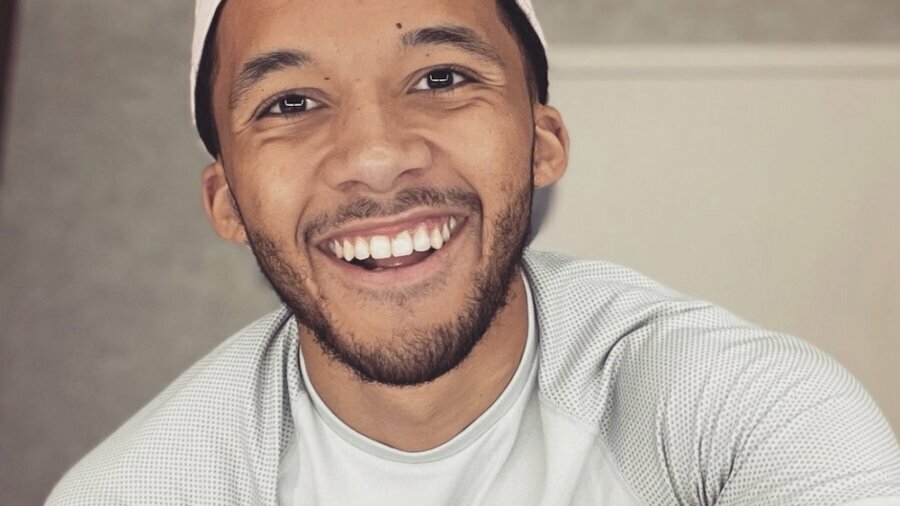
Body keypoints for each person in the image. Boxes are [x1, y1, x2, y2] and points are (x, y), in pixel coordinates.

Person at [48, 0, 900, 504]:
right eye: (292, 101)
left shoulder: (739, 411)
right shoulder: (141, 490)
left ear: (542, 141)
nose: (376, 156)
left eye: (441, 79)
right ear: (227, 201)